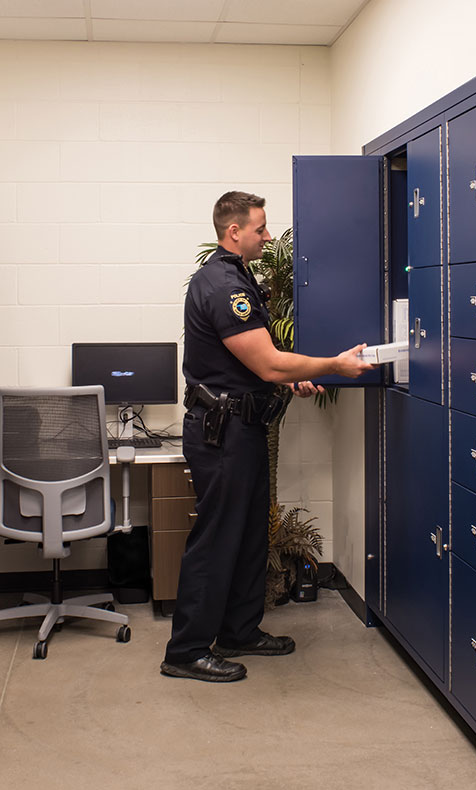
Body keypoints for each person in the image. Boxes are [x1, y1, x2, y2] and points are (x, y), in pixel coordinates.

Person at [160, 191, 374, 683]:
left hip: (243, 426)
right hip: (223, 434)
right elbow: (269, 360)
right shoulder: (221, 285)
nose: (268, 237)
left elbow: (257, 363)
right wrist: (333, 364)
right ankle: (186, 650)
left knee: (250, 535)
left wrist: (288, 379)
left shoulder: (239, 279)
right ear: (234, 231)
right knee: (217, 540)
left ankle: (238, 631)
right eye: (260, 228)